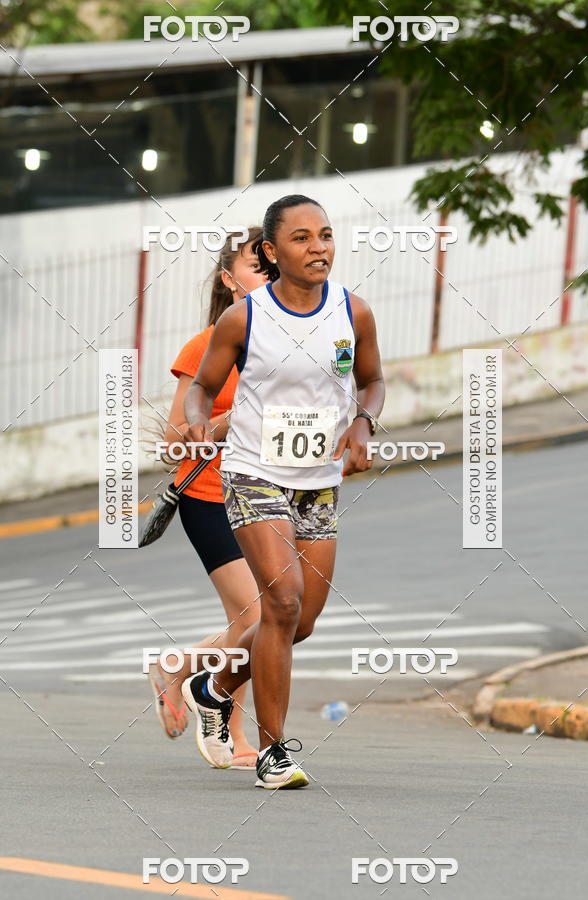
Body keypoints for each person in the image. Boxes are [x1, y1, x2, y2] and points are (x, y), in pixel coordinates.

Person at [181, 194, 385, 789]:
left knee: (302, 621)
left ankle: (213, 687)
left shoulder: (355, 312)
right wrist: (197, 419)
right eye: (301, 238)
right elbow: (202, 387)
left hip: (317, 485)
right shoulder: (244, 318)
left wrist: (363, 421)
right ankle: (276, 755)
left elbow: (371, 381)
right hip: (253, 474)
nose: (317, 247)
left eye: (324, 235)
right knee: (284, 599)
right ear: (272, 251)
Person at [148, 227, 268, 769]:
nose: (268, 272)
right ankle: (180, 672)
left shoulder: (299, 346)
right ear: (229, 279)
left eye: (275, 261)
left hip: (272, 496)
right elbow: (175, 440)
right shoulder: (206, 347)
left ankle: (227, 732)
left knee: (258, 622)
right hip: (211, 494)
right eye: (255, 264)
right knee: (261, 614)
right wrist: (228, 421)